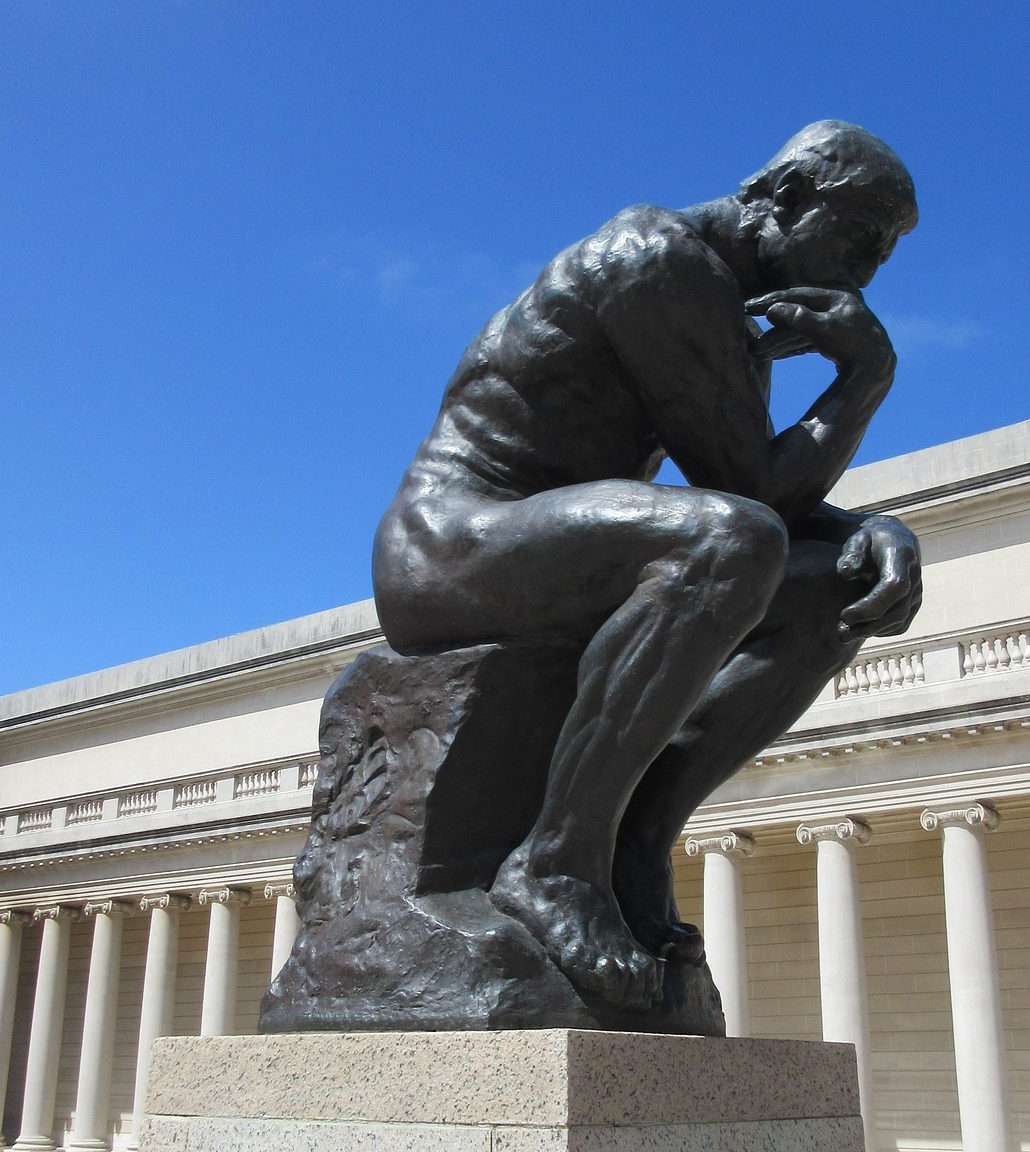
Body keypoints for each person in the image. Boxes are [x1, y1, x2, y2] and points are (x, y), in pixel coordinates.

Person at [373, 121, 923, 1012]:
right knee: (733, 541)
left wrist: (867, 528)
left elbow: (744, 481)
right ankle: (556, 862)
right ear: (784, 196)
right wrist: (865, 377)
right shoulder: (656, 255)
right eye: (860, 234)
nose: (867, 268)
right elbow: (747, 496)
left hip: (553, 547)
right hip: (451, 543)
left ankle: (632, 841)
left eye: (885, 253)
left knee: (837, 585)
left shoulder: (728, 314)